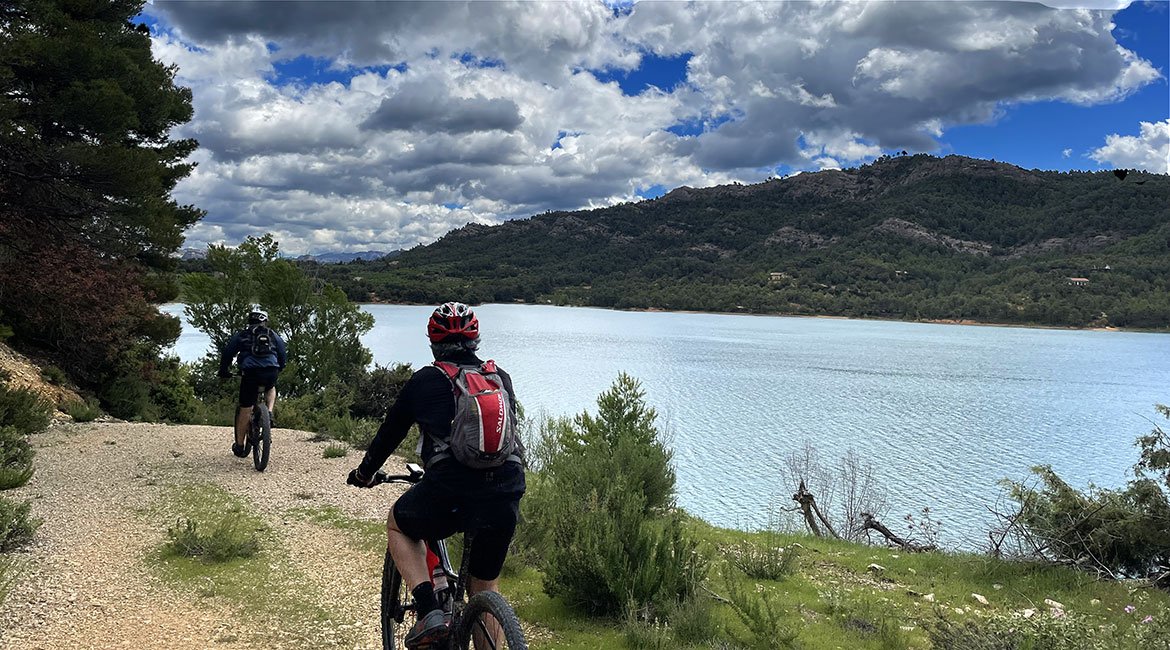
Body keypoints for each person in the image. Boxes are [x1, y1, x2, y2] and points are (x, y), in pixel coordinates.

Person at [347, 302, 525, 649]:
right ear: (475, 342)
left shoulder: (426, 380)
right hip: (505, 490)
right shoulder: (499, 377)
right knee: (485, 585)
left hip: (451, 491)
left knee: (399, 524)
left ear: (432, 342)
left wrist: (365, 473)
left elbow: (390, 433)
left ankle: (429, 609)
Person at [218, 308, 287, 458]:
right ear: (264, 321)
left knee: (245, 407)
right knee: (271, 386)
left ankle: (240, 446)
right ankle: (269, 411)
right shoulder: (273, 335)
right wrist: (279, 368)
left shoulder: (242, 335)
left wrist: (223, 371)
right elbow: (282, 353)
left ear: (249, 321)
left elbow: (228, 353)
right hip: (271, 371)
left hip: (250, 373)